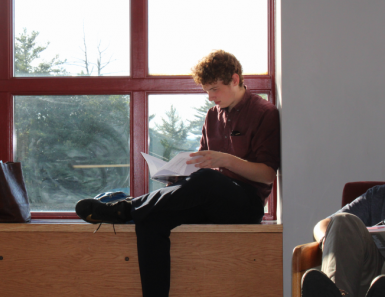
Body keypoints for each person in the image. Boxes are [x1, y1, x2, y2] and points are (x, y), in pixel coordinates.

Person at [75, 50, 280, 297]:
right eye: (207, 91)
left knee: (206, 179)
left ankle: (126, 208)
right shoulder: (212, 116)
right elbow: (203, 162)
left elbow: (267, 174)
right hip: (209, 197)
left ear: (235, 80)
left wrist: (225, 160)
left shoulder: (264, 113)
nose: (210, 97)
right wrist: (179, 175)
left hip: (246, 205)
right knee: (151, 220)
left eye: (214, 89)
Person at [301, 186, 385, 297]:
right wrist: (327, 240)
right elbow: (322, 225)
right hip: (369, 274)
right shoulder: (378, 196)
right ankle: (338, 292)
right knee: (343, 221)